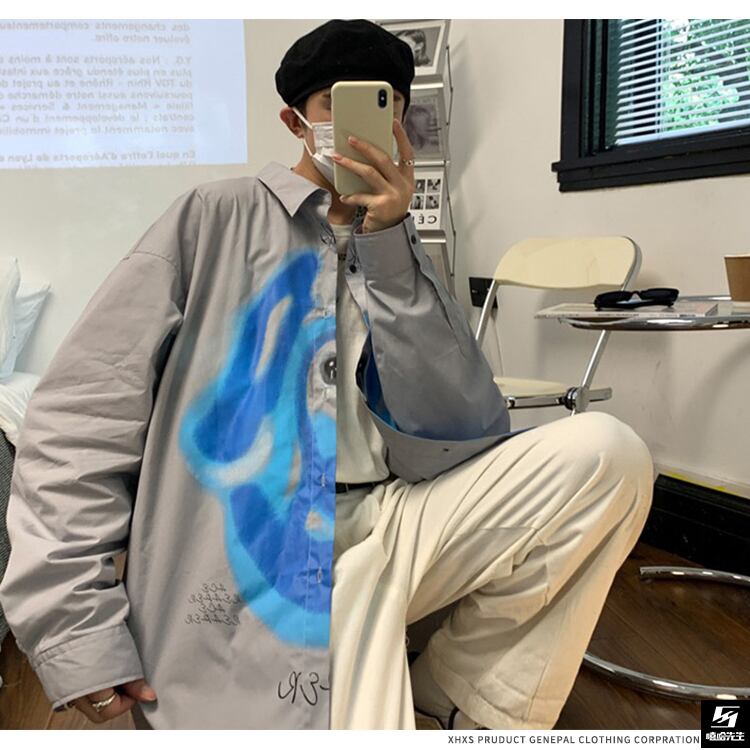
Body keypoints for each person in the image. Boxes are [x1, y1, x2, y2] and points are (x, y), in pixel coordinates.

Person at [0, 19, 654, 731]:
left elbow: (464, 431)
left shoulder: (404, 246)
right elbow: (83, 418)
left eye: (387, 106)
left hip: (391, 518)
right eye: (336, 107)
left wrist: (392, 250)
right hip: (249, 544)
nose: (369, 127)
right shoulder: (212, 219)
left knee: (607, 455)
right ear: (295, 122)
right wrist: (75, 627)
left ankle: (453, 705)